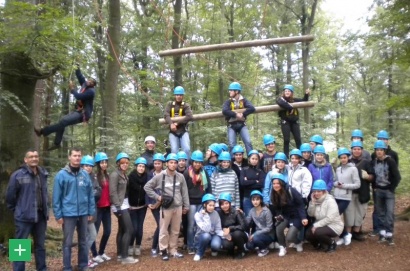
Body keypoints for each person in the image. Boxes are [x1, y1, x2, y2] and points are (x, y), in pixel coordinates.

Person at [52, 147, 95, 271]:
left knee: (83, 240)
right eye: (75, 155)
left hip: (82, 213)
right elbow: (56, 197)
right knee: (67, 242)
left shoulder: (84, 174)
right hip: (68, 214)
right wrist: (58, 215)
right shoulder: (61, 175)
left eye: (79, 155)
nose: (77, 158)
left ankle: (83, 265)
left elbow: (90, 194)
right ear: (69, 157)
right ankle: (67, 267)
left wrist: (90, 211)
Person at [6, 149, 49, 271]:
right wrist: (18, 210)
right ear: (26, 160)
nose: (34, 159)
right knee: (20, 246)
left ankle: (42, 269)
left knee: (40, 246)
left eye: (36, 156)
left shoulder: (43, 173)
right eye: (31, 157)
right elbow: (10, 196)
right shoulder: (18, 175)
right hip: (23, 217)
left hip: (40, 216)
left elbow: (45, 193)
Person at [34, 67, 96, 151]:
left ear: (93, 85)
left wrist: (72, 89)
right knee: (62, 122)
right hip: (78, 110)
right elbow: (80, 76)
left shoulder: (91, 91)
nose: (89, 82)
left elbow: (78, 96)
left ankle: (42, 131)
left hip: (83, 114)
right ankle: (57, 143)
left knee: (63, 121)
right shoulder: (85, 84)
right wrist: (77, 66)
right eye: (89, 80)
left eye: (92, 82)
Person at [144, 153, 190, 261]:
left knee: (175, 230)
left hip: (178, 207)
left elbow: (184, 192)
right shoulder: (161, 176)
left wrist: (186, 206)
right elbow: (147, 187)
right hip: (166, 208)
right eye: (171, 162)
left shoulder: (180, 176)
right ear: (167, 164)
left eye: (175, 162)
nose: (173, 165)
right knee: (164, 230)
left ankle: (173, 250)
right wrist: (157, 197)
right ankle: (163, 250)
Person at [109, 152, 138, 264]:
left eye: (127, 162)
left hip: (124, 204)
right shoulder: (115, 175)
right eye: (122, 162)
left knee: (122, 229)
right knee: (129, 229)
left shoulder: (124, 174)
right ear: (118, 163)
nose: (125, 164)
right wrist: (118, 207)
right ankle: (125, 257)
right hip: (119, 205)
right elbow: (112, 192)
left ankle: (120, 254)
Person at [269, 173, 308, 256]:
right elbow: (277, 207)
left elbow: (300, 204)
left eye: (278, 183)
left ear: (282, 183)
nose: (275, 185)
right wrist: (278, 215)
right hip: (285, 216)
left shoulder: (291, 190)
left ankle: (298, 242)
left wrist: (303, 217)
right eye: (274, 183)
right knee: (278, 228)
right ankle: (282, 247)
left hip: (296, 216)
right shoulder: (273, 193)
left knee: (289, 237)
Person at [372, 140, 401, 245]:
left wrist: (391, 188)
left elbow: (397, 177)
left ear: (384, 151)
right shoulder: (374, 162)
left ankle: (389, 234)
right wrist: (374, 187)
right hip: (378, 191)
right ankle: (382, 233)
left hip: (388, 192)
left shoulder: (390, 161)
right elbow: (373, 176)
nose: (379, 152)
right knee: (380, 213)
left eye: (381, 150)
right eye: (377, 150)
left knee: (389, 213)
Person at [183, 150, 212, 255]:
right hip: (191, 202)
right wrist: (185, 203)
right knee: (191, 225)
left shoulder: (204, 173)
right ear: (192, 162)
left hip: (201, 201)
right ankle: (190, 246)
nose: (197, 164)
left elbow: (208, 187)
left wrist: (209, 199)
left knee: (200, 225)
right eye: (195, 162)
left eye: (199, 162)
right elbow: (184, 189)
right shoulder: (187, 173)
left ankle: (198, 245)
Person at [306, 180, 344, 253]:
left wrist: (316, 225)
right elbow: (310, 214)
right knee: (308, 234)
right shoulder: (314, 200)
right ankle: (320, 244)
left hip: (333, 225)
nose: (316, 193)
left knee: (317, 232)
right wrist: (312, 203)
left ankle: (332, 243)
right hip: (320, 224)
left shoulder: (330, 201)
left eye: (319, 191)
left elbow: (330, 218)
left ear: (323, 191)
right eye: (314, 191)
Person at [333, 148, 360, 246]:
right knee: (334, 216)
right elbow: (334, 181)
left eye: (345, 157)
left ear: (348, 157)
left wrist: (344, 185)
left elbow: (357, 184)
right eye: (341, 158)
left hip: (346, 197)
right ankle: (343, 236)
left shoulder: (353, 169)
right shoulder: (338, 169)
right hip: (337, 195)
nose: (343, 159)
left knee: (334, 216)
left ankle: (346, 234)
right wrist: (337, 183)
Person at [349, 141, 375, 241]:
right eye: (354, 149)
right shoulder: (347, 161)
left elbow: (373, 176)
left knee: (360, 213)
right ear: (351, 150)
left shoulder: (366, 162)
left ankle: (356, 232)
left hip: (362, 192)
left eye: (358, 149)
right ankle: (349, 232)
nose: (356, 151)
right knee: (350, 213)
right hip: (350, 192)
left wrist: (368, 176)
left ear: (362, 150)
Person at [276, 84, 310, 157]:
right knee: (287, 140)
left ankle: (301, 156)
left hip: (294, 122)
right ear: (284, 92)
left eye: (289, 91)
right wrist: (290, 107)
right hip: (285, 122)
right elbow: (280, 102)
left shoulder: (294, 100)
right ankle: (286, 157)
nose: (287, 92)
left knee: (298, 139)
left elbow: (304, 100)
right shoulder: (281, 99)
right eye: (286, 91)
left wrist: (306, 94)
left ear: (291, 93)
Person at [222, 82, 255, 154]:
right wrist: (235, 115)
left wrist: (243, 114)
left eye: (231, 90)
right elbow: (224, 111)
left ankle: (251, 160)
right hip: (231, 125)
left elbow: (252, 108)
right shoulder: (228, 101)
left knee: (248, 142)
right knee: (231, 145)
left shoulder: (244, 100)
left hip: (242, 124)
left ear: (236, 91)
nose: (229, 91)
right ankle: (231, 163)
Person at [91, 152, 112, 263]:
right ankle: (94, 254)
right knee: (94, 232)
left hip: (107, 207)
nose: (103, 164)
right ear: (98, 164)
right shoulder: (94, 177)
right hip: (98, 208)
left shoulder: (108, 176)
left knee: (108, 231)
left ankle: (101, 252)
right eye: (101, 162)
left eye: (105, 162)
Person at [80, 155, 101, 269]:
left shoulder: (93, 177)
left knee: (91, 234)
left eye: (90, 166)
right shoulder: (18, 175)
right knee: (19, 239)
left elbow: (98, 191)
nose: (88, 168)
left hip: (34, 215)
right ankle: (18, 266)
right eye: (86, 166)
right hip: (21, 217)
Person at [128, 157, 149, 257]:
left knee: (140, 227)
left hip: (142, 206)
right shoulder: (130, 177)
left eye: (143, 166)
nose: (141, 168)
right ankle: (130, 246)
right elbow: (126, 192)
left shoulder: (147, 177)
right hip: (132, 207)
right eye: (139, 166)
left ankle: (138, 245)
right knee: (134, 228)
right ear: (136, 166)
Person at [193, 194, 224, 261]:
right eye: (210, 205)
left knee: (216, 245)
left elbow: (218, 229)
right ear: (204, 205)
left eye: (213, 205)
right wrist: (206, 216)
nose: (212, 207)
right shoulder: (198, 215)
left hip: (213, 234)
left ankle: (214, 249)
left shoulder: (216, 213)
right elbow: (206, 229)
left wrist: (224, 234)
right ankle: (199, 253)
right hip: (202, 235)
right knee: (206, 236)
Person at [164, 86, 193, 156]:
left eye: (180, 95)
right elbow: (166, 114)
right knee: (174, 150)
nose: (179, 96)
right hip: (173, 132)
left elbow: (189, 116)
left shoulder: (186, 105)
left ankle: (187, 166)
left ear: (183, 96)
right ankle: (174, 166)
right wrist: (171, 124)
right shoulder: (170, 104)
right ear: (175, 95)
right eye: (177, 95)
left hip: (183, 130)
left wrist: (177, 123)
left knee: (186, 149)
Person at [217, 193, 248, 259]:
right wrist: (224, 231)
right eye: (222, 204)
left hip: (240, 234)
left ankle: (241, 251)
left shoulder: (236, 212)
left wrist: (230, 228)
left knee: (236, 234)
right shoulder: (219, 213)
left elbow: (243, 226)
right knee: (226, 244)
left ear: (230, 203)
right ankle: (231, 250)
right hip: (227, 235)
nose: (224, 206)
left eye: (226, 203)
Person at [146, 153, 166, 257]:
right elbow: (147, 188)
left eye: (159, 163)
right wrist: (148, 202)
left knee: (164, 225)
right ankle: (154, 247)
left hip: (164, 203)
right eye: (155, 163)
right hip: (153, 203)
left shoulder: (166, 173)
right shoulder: (150, 174)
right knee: (160, 224)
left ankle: (161, 246)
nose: (157, 165)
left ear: (162, 164)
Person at [244, 190, 273, 257]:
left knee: (255, 238)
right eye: (253, 200)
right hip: (257, 234)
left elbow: (269, 228)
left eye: (257, 199)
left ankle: (264, 249)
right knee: (249, 246)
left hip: (268, 234)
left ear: (261, 200)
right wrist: (241, 214)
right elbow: (247, 222)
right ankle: (259, 246)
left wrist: (254, 234)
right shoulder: (252, 210)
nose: (255, 202)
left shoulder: (266, 211)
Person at [240, 150, 266, 216]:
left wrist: (248, 181)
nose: (254, 160)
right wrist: (255, 181)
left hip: (258, 198)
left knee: (259, 217)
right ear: (249, 159)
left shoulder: (260, 171)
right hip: (247, 197)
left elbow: (261, 184)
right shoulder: (244, 170)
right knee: (248, 217)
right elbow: (243, 183)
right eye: (253, 158)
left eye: (256, 159)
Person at [231, 145, 248, 210]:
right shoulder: (231, 165)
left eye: (240, 155)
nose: (238, 156)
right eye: (236, 155)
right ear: (234, 155)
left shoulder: (246, 164)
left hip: (245, 190)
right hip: (235, 190)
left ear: (242, 155)